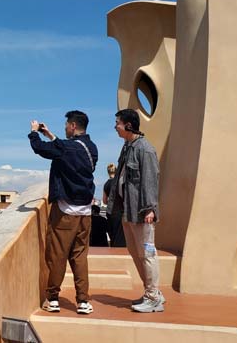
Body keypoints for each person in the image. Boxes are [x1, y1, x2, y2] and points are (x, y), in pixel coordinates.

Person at [28, 110, 98, 315]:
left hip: (66, 212)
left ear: (73, 126)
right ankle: (83, 301)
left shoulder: (66, 148)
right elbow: (65, 149)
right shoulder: (91, 148)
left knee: (57, 256)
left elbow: (40, 149)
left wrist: (34, 133)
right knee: (79, 257)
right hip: (85, 213)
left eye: (67, 124)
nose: (66, 127)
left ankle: (53, 298)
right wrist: (49, 134)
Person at [110, 108, 165, 312]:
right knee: (136, 253)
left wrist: (150, 208)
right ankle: (152, 292)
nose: (115, 127)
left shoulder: (145, 149)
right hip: (128, 211)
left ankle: (153, 298)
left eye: (117, 123)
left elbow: (151, 180)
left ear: (128, 125)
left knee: (148, 254)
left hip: (142, 213)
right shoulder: (128, 147)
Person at [102, 163, 126, 247]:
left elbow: (104, 201)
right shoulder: (119, 183)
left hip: (110, 212)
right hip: (120, 211)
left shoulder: (106, 184)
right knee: (121, 237)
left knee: (112, 234)